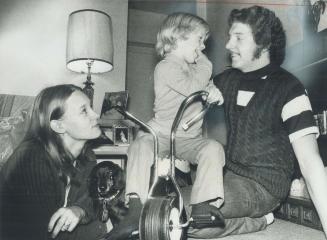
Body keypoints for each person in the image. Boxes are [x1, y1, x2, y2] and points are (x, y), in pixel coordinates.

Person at [188, 5, 327, 238]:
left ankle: (259, 219)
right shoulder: (227, 80)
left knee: (180, 212)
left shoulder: (289, 88)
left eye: (238, 38)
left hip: (265, 186)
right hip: (229, 177)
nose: (228, 45)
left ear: (263, 44)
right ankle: (253, 222)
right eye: (230, 37)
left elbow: (310, 161)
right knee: (167, 212)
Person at [104, 12, 225, 240]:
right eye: (199, 40)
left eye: (204, 42)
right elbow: (192, 87)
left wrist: (214, 94)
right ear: (178, 38)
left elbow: (205, 89)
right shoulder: (166, 66)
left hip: (189, 137)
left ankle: (203, 205)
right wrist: (206, 63)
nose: (202, 47)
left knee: (213, 149)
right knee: (140, 147)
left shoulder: (196, 69)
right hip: (160, 132)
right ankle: (135, 206)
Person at [0, 84, 108, 240]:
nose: (96, 115)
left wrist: (79, 209)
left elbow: (93, 196)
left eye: (90, 107)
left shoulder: (87, 156)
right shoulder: (32, 157)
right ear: (59, 126)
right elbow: (42, 232)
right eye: (84, 111)